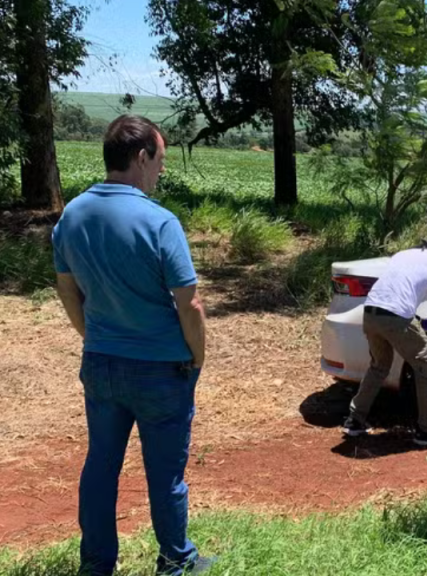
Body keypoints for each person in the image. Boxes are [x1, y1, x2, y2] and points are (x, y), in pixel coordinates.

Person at [51, 115, 214, 576]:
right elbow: (191, 304)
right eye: (160, 160)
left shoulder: (72, 216)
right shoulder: (160, 221)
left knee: (100, 466)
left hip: (101, 362)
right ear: (141, 157)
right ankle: (176, 561)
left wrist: (91, 336)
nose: (161, 170)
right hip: (162, 368)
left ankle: (97, 565)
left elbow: (67, 290)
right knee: (165, 475)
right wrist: (196, 356)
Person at [344, 231, 427, 446]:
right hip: (396, 316)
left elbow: (403, 285)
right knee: (426, 367)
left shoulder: (404, 255)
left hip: (371, 313)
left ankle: (355, 420)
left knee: (379, 366)